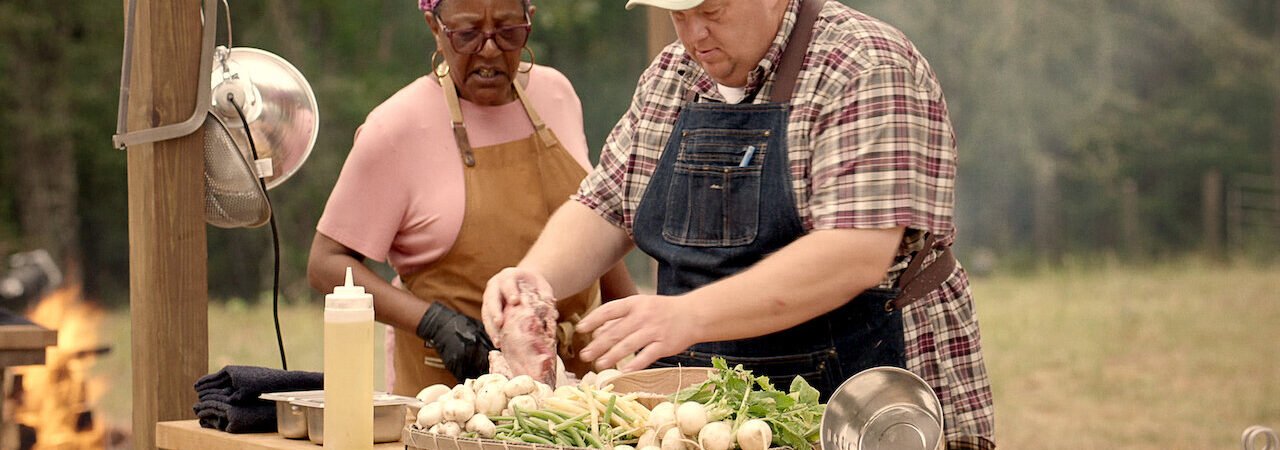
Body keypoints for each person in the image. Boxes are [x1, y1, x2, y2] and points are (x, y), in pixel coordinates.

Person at [481, 0, 995, 447]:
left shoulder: (862, 64)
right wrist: (533, 279)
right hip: (707, 411)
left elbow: (856, 253)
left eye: (712, 12)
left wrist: (688, 316)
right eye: (679, 15)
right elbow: (606, 205)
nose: (693, 34)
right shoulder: (673, 75)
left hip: (862, 400)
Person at [308, 0, 636, 397]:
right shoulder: (396, 128)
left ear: (529, 20)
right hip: (454, 398)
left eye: (508, 31)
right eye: (467, 35)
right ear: (434, 27)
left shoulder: (557, 94)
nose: (490, 50)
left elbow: (594, 222)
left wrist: (640, 339)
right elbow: (326, 264)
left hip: (579, 392)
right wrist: (433, 323)